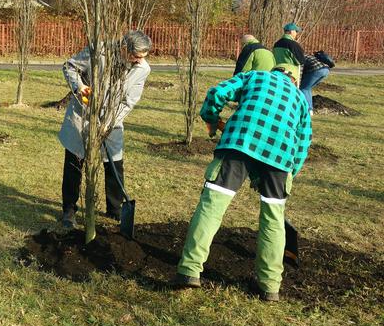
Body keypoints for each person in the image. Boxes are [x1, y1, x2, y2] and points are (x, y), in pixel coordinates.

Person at [172, 63, 312, 302]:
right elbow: (302, 143)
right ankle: (270, 287)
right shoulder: (300, 99)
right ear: (295, 81)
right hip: (280, 157)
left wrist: (211, 117)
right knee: (273, 218)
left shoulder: (255, 76)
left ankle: (189, 271)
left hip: (239, 142)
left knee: (212, 205)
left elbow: (218, 92)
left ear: (274, 71)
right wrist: (287, 175)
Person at [59, 30, 152, 228]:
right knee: (75, 162)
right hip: (82, 116)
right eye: (136, 57)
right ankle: (69, 210)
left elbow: (129, 101)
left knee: (114, 165)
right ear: (123, 48)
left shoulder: (142, 68)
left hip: (112, 120)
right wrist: (80, 86)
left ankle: (115, 209)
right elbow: (70, 66)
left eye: (142, 58)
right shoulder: (98, 51)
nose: (138, 61)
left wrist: (109, 122)